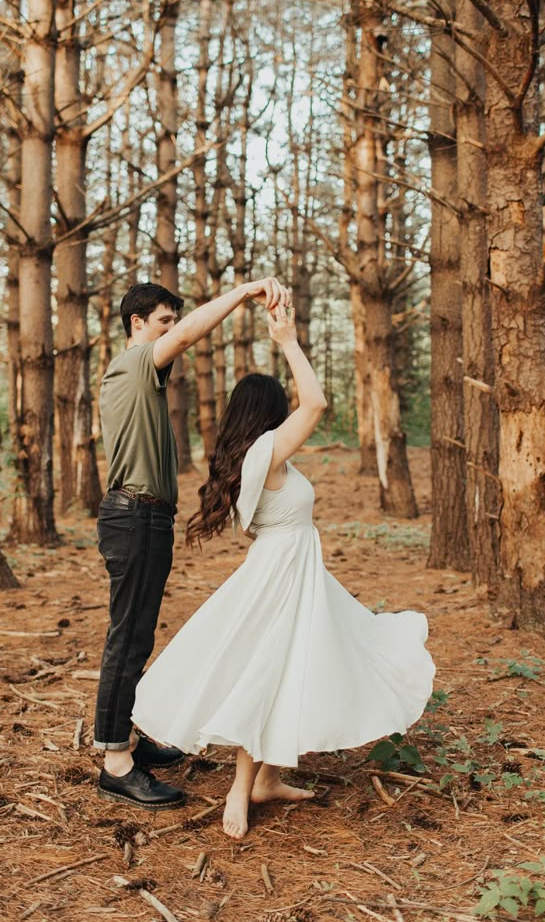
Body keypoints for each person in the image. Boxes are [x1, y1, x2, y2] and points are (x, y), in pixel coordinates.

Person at [133, 304, 435, 838]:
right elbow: (317, 400)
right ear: (271, 413)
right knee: (267, 672)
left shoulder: (261, 454)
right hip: (281, 574)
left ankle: (267, 779)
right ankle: (238, 789)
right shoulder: (268, 451)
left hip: (293, 567)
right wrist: (289, 340)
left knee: (299, 665)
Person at [95, 278, 290, 809]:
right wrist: (246, 291)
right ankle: (115, 761)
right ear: (138, 324)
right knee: (127, 638)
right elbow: (186, 337)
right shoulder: (132, 362)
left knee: (137, 637)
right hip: (133, 516)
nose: (171, 333)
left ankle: (127, 739)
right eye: (162, 322)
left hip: (147, 517)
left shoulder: (145, 378)